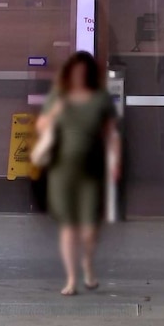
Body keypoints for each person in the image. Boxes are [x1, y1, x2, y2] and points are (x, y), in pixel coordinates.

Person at [36, 51, 120, 296]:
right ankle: (72, 279)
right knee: (68, 226)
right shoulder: (58, 97)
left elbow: (111, 133)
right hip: (62, 171)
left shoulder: (100, 99)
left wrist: (116, 161)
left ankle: (88, 264)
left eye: (84, 72)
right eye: (76, 72)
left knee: (90, 227)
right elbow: (42, 126)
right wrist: (56, 111)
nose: (79, 76)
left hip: (92, 170)